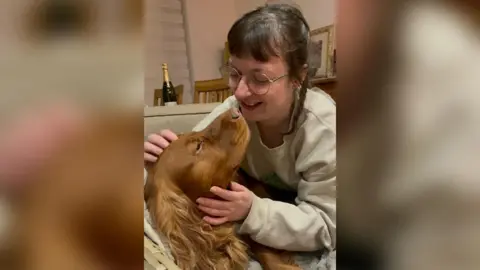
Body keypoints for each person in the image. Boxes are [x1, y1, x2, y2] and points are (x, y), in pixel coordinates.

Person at [144, 3, 336, 257]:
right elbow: (196, 153)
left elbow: (328, 226)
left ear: (297, 78)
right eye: (235, 73)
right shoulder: (236, 109)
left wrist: (253, 212)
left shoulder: (323, 126)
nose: (240, 91)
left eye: (260, 79)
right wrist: (157, 162)